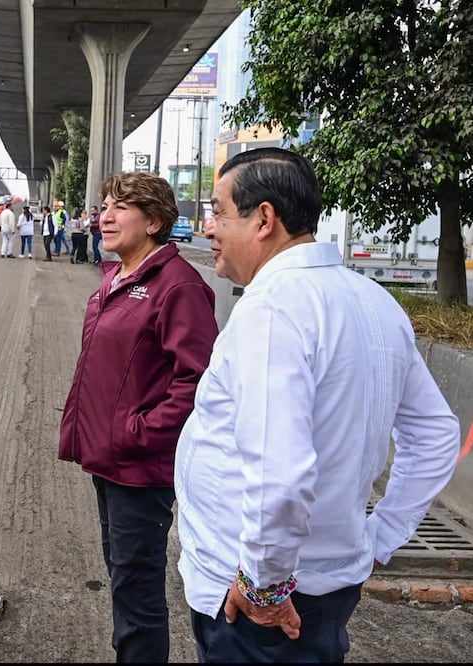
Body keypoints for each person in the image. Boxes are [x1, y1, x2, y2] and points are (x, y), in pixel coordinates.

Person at [175, 147, 460, 663]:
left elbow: (279, 472)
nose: (208, 227)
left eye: (217, 210)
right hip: (325, 587)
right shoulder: (374, 301)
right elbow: (437, 432)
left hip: (261, 609)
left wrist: (264, 586)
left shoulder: (272, 308)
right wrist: (380, 537)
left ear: (264, 219)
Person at [58, 171, 218, 663]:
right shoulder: (118, 278)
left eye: (119, 207)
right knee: (123, 578)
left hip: (140, 467)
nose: (104, 216)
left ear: (152, 221)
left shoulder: (177, 287)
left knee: (137, 591)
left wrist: (136, 432)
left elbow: (198, 381)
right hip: (109, 459)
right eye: (104, 206)